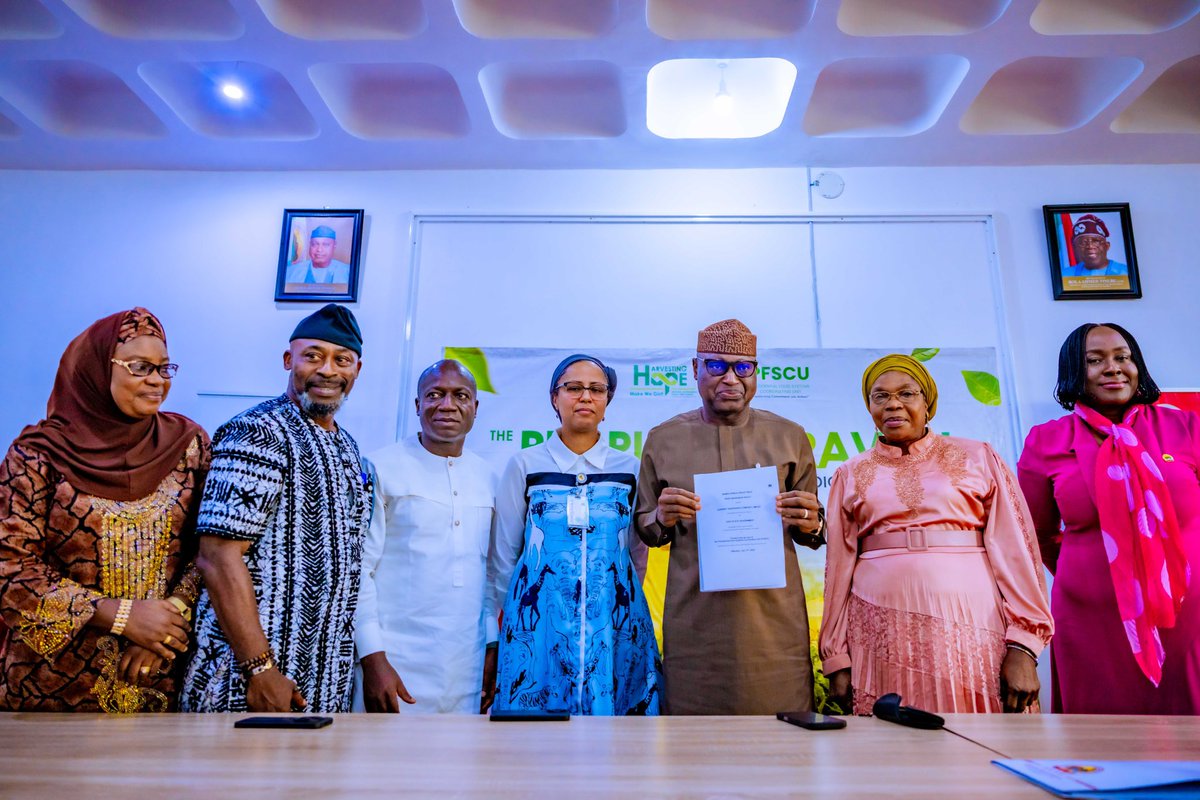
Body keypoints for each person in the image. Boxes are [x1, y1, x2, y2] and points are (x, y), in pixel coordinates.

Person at [819, 354, 1052, 715]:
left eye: (906, 393)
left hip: (972, 624)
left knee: (980, 744)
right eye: (879, 396)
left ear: (928, 403)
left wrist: (1024, 646)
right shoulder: (851, 472)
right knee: (892, 745)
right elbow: (837, 568)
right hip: (879, 632)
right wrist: (836, 656)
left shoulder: (977, 456)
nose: (893, 403)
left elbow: (1016, 549)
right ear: (869, 407)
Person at [0, 308, 209, 712]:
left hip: (160, 675)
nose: (156, 381)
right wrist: (124, 617)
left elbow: (209, 550)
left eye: (165, 368)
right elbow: (10, 569)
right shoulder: (37, 455)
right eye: (140, 367)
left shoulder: (189, 446)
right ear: (96, 369)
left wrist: (164, 627)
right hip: (52, 686)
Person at [180, 304, 370, 713]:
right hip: (245, 682)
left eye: (342, 360)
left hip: (321, 683)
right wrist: (260, 668)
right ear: (289, 360)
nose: (328, 371)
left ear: (357, 369)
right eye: (313, 355)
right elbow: (217, 558)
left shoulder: (348, 447)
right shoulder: (257, 432)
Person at [634, 319, 824, 715]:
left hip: (772, 623)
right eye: (716, 366)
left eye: (743, 367)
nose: (730, 379)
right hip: (695, 623)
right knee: (695, 747)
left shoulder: (790, 436)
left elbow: (814, 530)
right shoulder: (663, 439)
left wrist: (811, 521)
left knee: (779, 744)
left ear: (756, 372)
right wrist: (662, 517)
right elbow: (646, 528)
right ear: (695, 369)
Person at [1018, 323, 1200, 714]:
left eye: (1123, 357)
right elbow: (1036, 534)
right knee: (1102, 741)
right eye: (1095, 361)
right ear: (1073, 372)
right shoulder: (1046, 441)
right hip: (1091, 619)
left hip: (1189, 616)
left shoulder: (1186, 427)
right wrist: (1098, 574)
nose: (1113, 368)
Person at [487, 354, 660, 715]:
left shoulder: (629, 468)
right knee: (536, 735)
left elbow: (635, 553)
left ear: (607, 402)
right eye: (574, 388)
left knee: (616, 735)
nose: (585, 397)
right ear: (555, 398)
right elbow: (505, 554)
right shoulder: (525, 465)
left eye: (596, 390)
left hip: (613, 624)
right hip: (539, 627)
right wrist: (512, 620)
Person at [353, 359, 498, 714]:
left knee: (460, 767)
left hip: (468, 665)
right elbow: (359, 569)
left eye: (460, 395)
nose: (446, 405)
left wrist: (492, 649)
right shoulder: (379, 467)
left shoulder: (489, 477)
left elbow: (490, 575)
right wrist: (372, 658)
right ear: (418, 405)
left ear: (475, 408)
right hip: (395, 663)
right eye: (434, 395)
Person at [1060, 214, 1128, 278]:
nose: (1090, 246)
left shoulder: (1125, 273)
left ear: (1107, 246)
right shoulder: (1065, 275)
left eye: (1096, 241)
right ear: (1074, 248)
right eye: (1083, 242)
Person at [285, 225, 351, 285]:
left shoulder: (348, 272)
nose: (319, 249)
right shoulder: (291, 271)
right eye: (314, 244)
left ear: (334, 246)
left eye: (326, 244)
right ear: (310, 245)